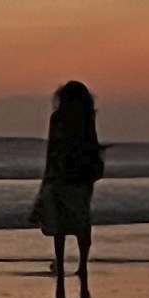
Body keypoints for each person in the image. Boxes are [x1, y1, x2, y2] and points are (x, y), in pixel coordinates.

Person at [37, 81, 104, 284]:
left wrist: (47, 177)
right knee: (82, 220)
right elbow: (92, 144)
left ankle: (60, 262)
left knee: (60, 223)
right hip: (83, 176)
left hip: (62, 174)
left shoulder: (57, 119)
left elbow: (53, 149)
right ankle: (82, 265)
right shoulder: (86, 117)